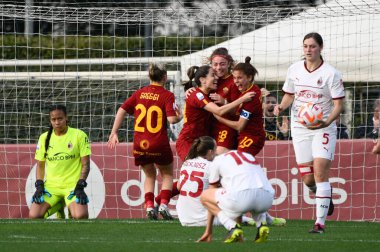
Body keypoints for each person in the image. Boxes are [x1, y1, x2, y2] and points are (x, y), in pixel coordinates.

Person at [274, 32, 345, 233]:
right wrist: (281, 106)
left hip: (324, 128)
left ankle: (319, 223)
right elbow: (289, 95)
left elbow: (339, 105)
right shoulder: (294, 69)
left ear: (320, 48)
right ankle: (325, 198)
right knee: (307, 179)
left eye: (312, 46)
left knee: (321, 172)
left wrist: (325, 122)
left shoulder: (331, 73)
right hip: (300, 128)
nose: (308, 50)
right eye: (305, 46)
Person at [108, 63, 182, 220]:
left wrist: (114, 132)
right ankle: (163, 205)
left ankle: (149, 206)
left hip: (140, 144)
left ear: (149, 77)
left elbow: (121, 109)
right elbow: (172, 119)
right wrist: (181, 115)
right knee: (167, 174)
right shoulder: (167, 95)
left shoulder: (140, 93)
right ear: (165, 77)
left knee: (149, 175)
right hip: (159, 142)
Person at [176, 65, 255, 162]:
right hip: (188, 141)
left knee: (208, 172)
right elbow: (219, 111)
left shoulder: (209, 94)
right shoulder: (197, 94)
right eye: (213, 75)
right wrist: (242, 99)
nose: (216, 77)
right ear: (202, 80)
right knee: (194, 170)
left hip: (202, 142)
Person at [197, 150, 275, 243]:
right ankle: (261, 225)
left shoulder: (217, 160)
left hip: (241, 198)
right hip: (267, 199)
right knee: (252, 193)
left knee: (204, 196)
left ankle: (231, 226)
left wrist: (208, 231)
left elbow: (211, 192)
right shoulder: (248, 154)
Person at [176, 136, 255, 227]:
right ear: (210, 152)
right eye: (215, 149)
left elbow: (179, 187)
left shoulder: (186, 162)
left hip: (184, 218)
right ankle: (254, 219)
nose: (216, 152)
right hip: (203, 219)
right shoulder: (212, 166)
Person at [29, 104, 91, 219]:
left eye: (60, 118)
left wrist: (80, 185)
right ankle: (59, 205)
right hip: (52, 187)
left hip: (72, 186)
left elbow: (86, 165)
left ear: (66, 118)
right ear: (50, 120)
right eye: (53, 119)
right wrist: (39, 185)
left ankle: (67, 205)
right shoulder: (44, 138)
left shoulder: (79, 135)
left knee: (81, 216)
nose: (57, 122)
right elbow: (40, 165)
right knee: (34, 216)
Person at [214, 57, 266, 157]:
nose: (236, 81)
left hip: (253, 136)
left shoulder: (251, 97)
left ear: (249, 77)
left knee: (239, 161)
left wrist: (219, 118)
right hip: (244, 134)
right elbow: (237, 112)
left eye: (239, 78)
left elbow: (239, 126)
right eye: (234, 78)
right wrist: (225, 104)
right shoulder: (245, 92)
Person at [207, 48, 241, 154]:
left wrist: (224, 102)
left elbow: (238, 111)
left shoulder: (234, 81)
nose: (218, 68)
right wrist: (190, 90)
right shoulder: (208, 79)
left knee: (220, 153)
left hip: (226, 126)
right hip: (208, 126)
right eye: (215, 64)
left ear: (229, 64)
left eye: (222, 64)